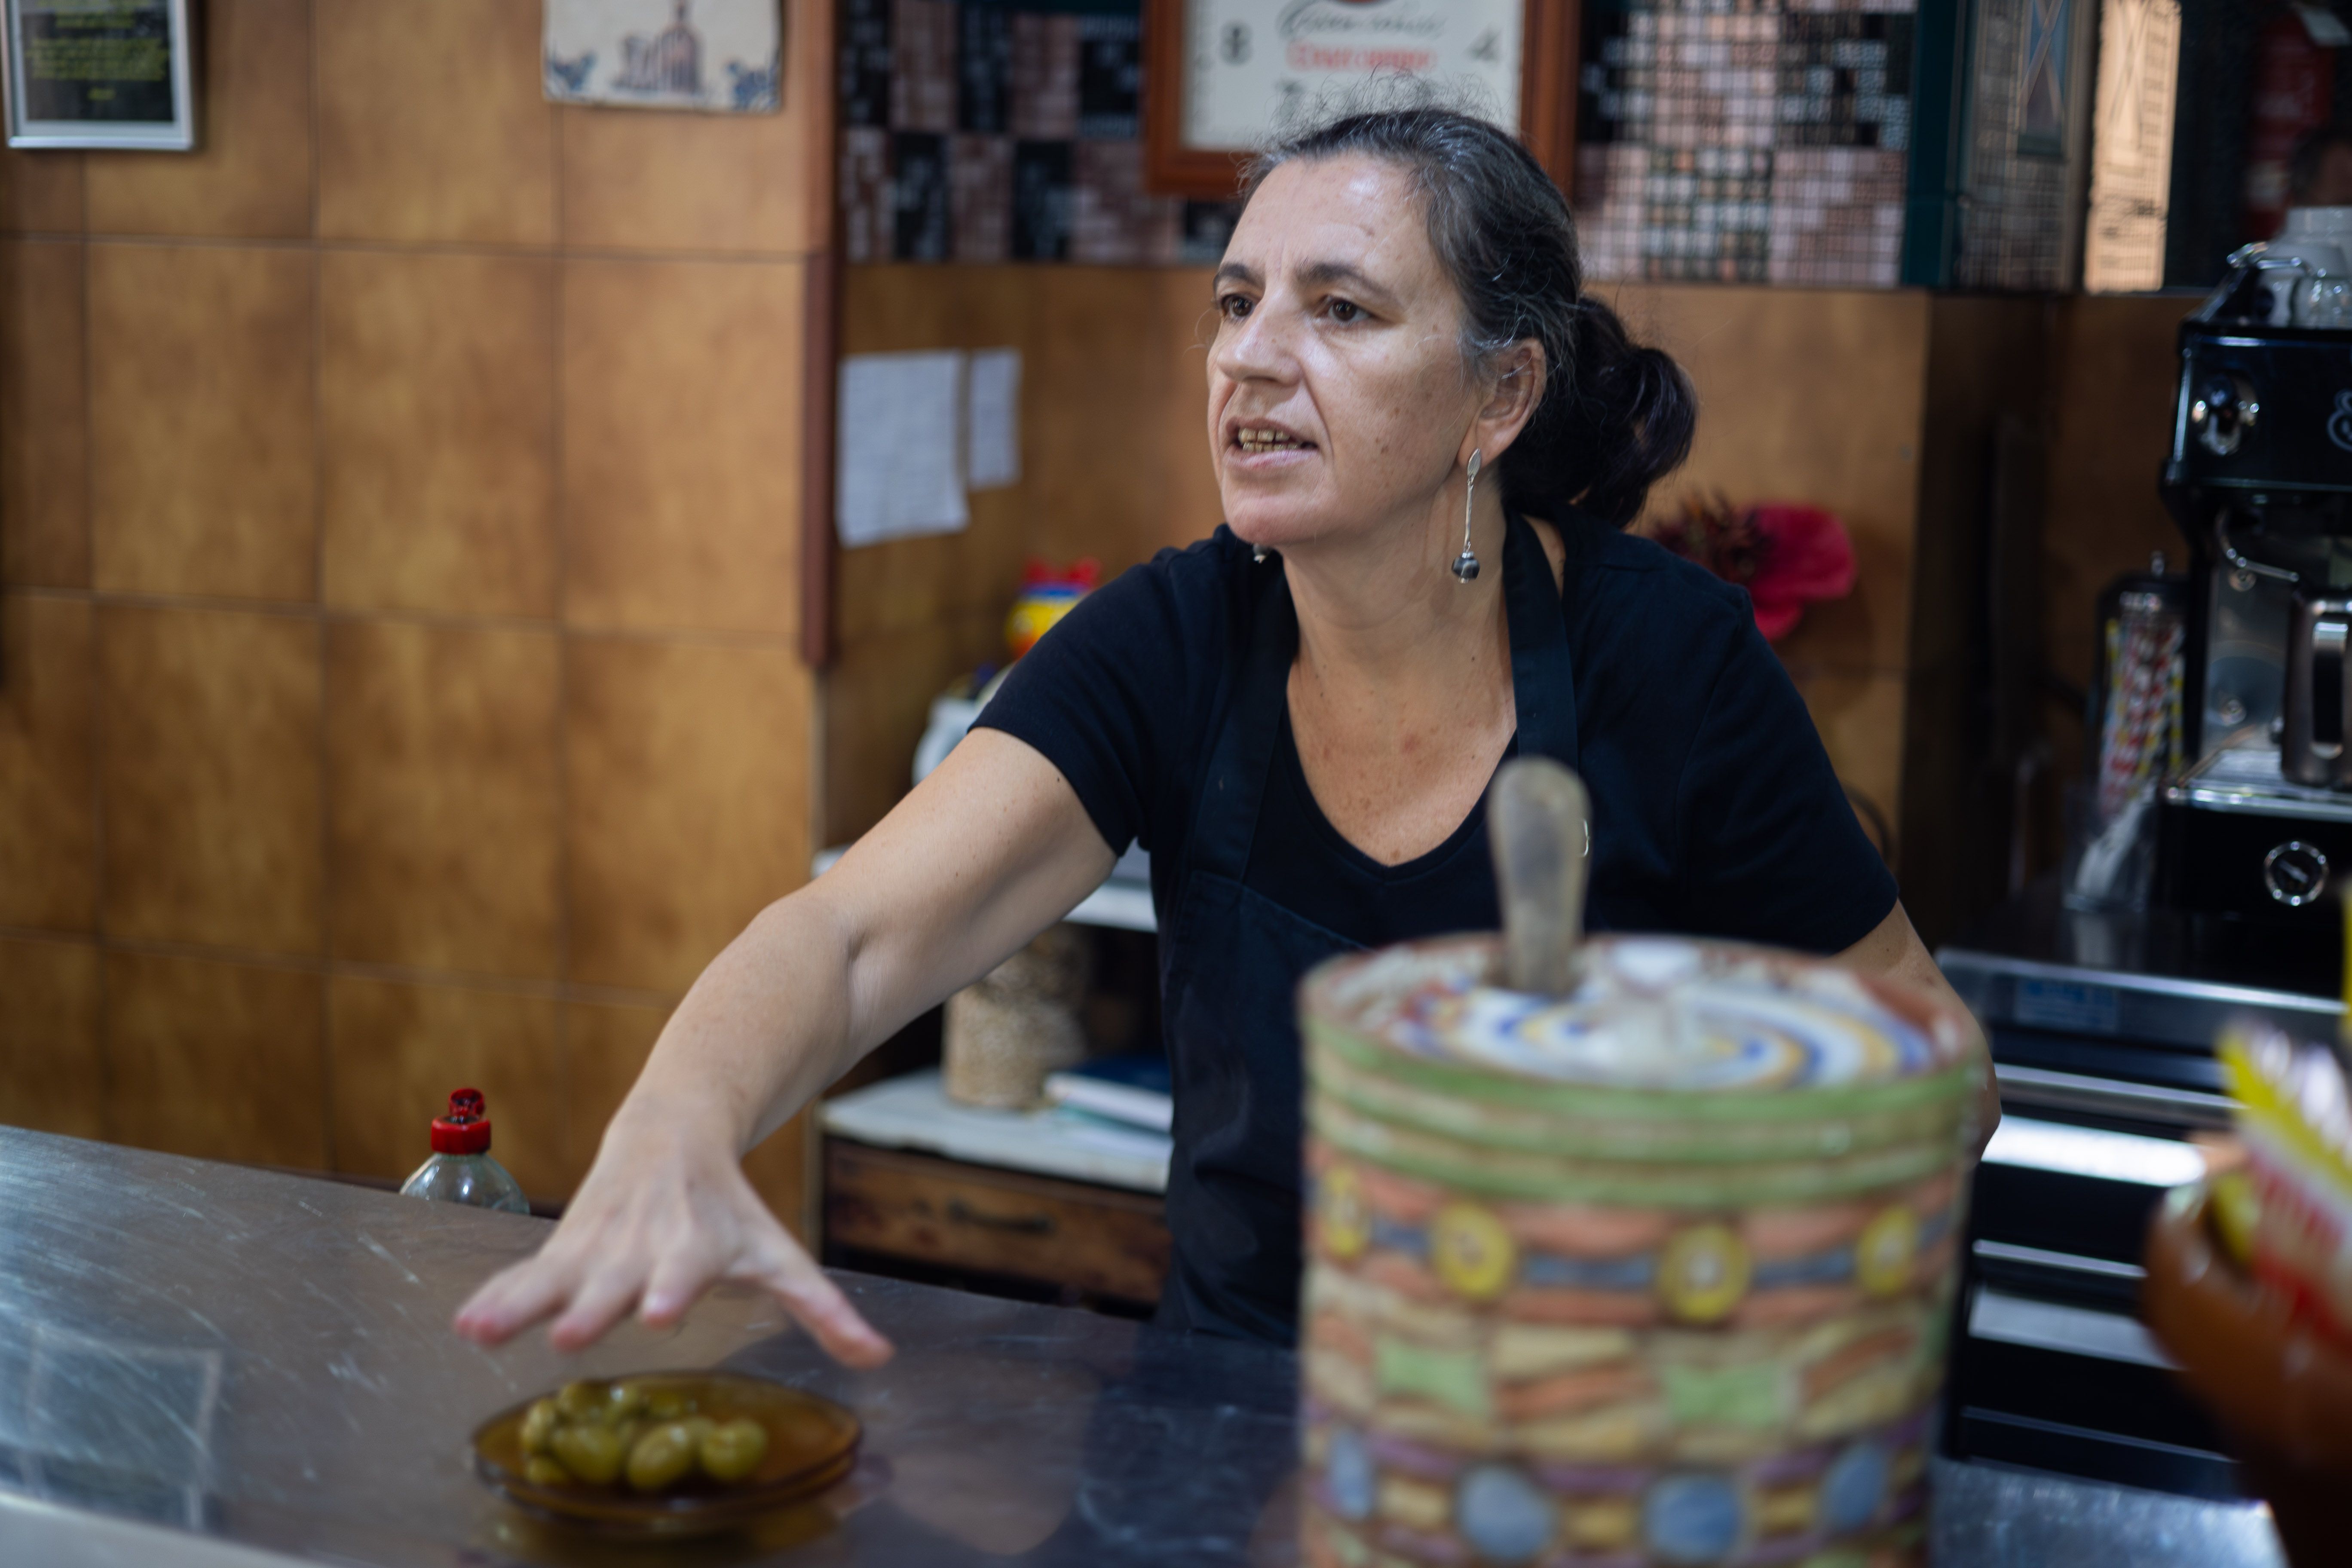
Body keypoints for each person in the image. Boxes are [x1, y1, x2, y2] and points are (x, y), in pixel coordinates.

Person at [454, 107, 1988, 1364]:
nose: (1253, 356)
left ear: (1500, 394)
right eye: (1239, 302)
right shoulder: (1174, 640)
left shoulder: (1671, 663)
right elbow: (851, 936)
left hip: (1580, 1442)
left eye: (1341, 309)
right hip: (1232, 1421)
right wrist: (679, 1122)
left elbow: (1945, 1077)